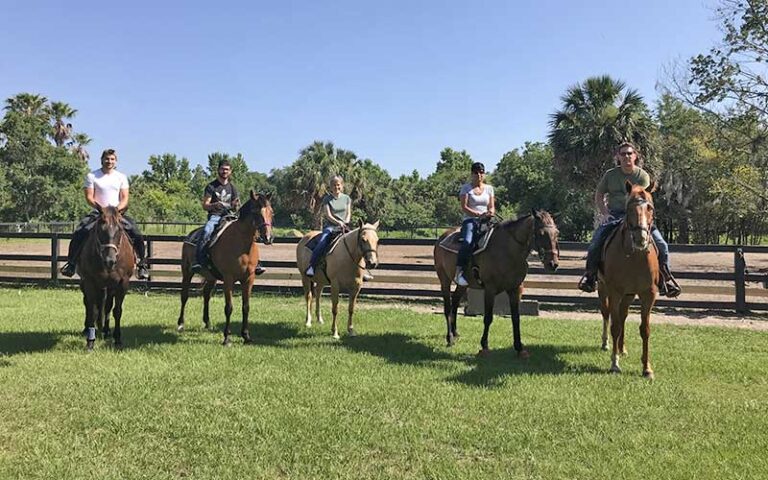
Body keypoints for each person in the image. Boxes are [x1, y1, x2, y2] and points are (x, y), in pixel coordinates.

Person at [577, 142, 681, 297]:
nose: (627, 156)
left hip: (639, 217)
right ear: (618, 157)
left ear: (635, 156)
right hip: (615, 215)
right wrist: (605, 213)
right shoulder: (610, 175)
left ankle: (665, 278)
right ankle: (590, 277)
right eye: (623, 153)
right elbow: (599, 194)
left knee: (662, 245)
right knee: (595, 243)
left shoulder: (642, 176)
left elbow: (642, 197)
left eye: (629, 153)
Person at [60, 149, 149, 279]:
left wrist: (116, 210)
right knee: (81, 231)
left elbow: (125, 198)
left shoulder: (121, 177)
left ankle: (142, 264)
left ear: (116, 161)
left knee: (135, 232)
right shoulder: (92, 176)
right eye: (107, 159)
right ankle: (71, 263)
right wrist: (102, 209)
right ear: (102, 160)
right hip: (98, 212)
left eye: (112, 159)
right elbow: (89, 197)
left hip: (116, 213)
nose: (109, 161)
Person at [191, 160, 265, 275]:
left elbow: (235, 206)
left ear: (230, 171)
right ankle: (199, 261)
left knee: (250, 232)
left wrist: (235, 206)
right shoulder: (211, 186)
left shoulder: (233, 188)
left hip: (230, 217)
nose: (224, 171)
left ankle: (256, 262)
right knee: (207, 230)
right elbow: (205, 205)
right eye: (222, 169)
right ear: (218, 170)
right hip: (215, 216)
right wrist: (215, 205)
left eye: (227, 169)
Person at [305, 175, 374, 281]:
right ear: (330, 187)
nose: (336, 187)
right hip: (331, 227)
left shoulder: (346, 198)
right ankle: (312, 266)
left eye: (338, 185)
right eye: (333, 185)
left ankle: (362, 272)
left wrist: (345, 221)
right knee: (322, 242)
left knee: (358, 244)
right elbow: (328, 215)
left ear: (342, 186)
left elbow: (348, 213)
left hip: (345, 226)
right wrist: (338, 222)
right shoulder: (327, 199)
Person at [454, 162, 496, 286]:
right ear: (472, 174)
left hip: (487, 220)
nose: (479, 175)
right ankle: (459, 271)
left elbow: (492, 206)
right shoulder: (466, 188)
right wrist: (478, 214)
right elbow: (464, 207)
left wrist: (491, 212)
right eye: (476, 173)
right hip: (470, 220)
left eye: (481, 172)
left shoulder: (489, 189)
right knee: (467, 242)